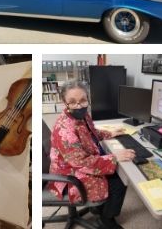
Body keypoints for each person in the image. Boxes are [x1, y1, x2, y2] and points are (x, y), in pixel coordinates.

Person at [49, 80, 135, 229]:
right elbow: (81, 162)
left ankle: (100, 209)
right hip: (70, 174)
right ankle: (106, 219)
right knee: (119, 181)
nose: (79, 105)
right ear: (65, 103)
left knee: (117, 172)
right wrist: (114, 158)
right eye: (73, 102)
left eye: (83, 100)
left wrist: (110, 133)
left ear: (87, 99)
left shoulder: (82, 115)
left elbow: (91, 133)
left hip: (79, 163)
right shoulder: (64, 130)